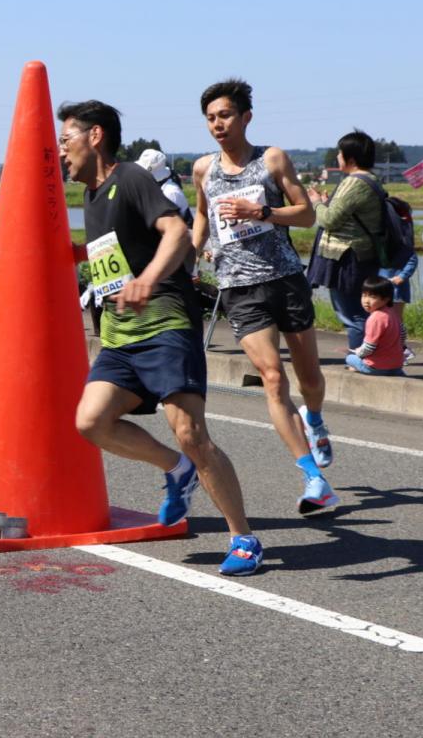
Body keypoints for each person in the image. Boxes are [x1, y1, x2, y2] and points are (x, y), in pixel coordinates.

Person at [59, 99, 262, 576]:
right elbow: (115, 254)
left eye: (66, 140)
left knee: (191, 433)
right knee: (91, 422)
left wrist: (148, 279)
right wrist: (75, 255)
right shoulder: (92, 195)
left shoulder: (129, 176)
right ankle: (177, 470)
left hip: (165, 323)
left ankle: (245, 538)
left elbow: (175, 230)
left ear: (94, 137)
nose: (61, 152)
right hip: (119, 332)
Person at [191, 78, 337, 516]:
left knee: (309, 380)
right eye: (211, 118)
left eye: (226, 115)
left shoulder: (271, 159)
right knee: (272, 379)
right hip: (238, 286)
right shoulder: (204, 170)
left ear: (246, 117)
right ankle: (314, 477)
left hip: (285, 278)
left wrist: (263, 213)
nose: (218, 124)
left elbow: (308, 214)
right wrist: (187, 262)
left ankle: (314, 416)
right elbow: (202, 218)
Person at [305, 130, 384, 352]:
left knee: (352, 313)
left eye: (340, 153)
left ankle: (362, 359)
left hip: (348, 257)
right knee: (356, 310)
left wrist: (316, 203)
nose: (337, 157)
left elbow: (329, 220)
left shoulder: (354, 183)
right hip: (358, 255)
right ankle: (364, 354)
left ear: (350, 157)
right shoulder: (369, 180)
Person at [344, 276, 405, 376]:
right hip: (397, 366)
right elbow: (402, 334)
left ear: (386, 299)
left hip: (376, 367)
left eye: (372, 297)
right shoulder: (393, 313)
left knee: (349, 358)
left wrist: (358, 353)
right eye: (364, 295)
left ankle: (358, 368)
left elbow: (369, 347)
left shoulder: (375, 318)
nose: (366, 301)